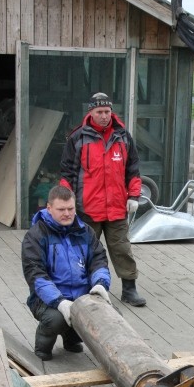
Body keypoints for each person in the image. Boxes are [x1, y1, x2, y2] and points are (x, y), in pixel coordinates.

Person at [59, 91, 146, 307]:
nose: (105, 115)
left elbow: (133, 170)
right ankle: (85, 289)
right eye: (100, 112)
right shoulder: (77, 138)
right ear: (91, 112)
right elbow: (67, 173)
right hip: (88, 208)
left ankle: (129, 289)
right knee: (85, 252)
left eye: (107, 111)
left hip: (117, 207)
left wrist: (134, 195)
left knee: (122, 249)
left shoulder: (124, 137)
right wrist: (68, 203)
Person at [22, 184, 112, 361]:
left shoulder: (85, 231)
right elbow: (35, 274)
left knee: (112, 315)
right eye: (61, 209)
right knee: (57, 319)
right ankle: (43, 345)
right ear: (49, 208)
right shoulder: (35, 235)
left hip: (81, 295)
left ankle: (71, 339)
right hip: (46, 299)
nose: (67, 214)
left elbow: (98, 259)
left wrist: (101, 284)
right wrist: (59, 301)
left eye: (71, 209)